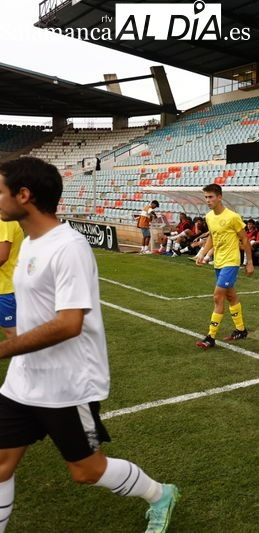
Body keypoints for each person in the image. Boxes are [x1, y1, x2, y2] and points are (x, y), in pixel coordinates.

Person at [0, 157, 178, 532]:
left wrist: (3, 349)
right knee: (1, 464)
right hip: (23, 380)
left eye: (0, 192)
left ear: (24, 195)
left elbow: (68, 324)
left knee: (86, 471)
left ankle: (160, 494)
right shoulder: (31, 243)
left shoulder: (69, 247)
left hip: (67, 384)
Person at [195, 184, 254, 349]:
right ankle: (241, 330)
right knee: (230, 296)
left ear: (219, 197)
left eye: (211, 197)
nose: (208, 200)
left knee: (217, 297)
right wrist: (202, 254)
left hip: (231, 262)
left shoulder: (232, 217)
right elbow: (212, 238)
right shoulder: (209, 217)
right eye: (206, 197)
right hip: (219, 261)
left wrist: (249, 262)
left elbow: (245, 240)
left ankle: (210, 337)